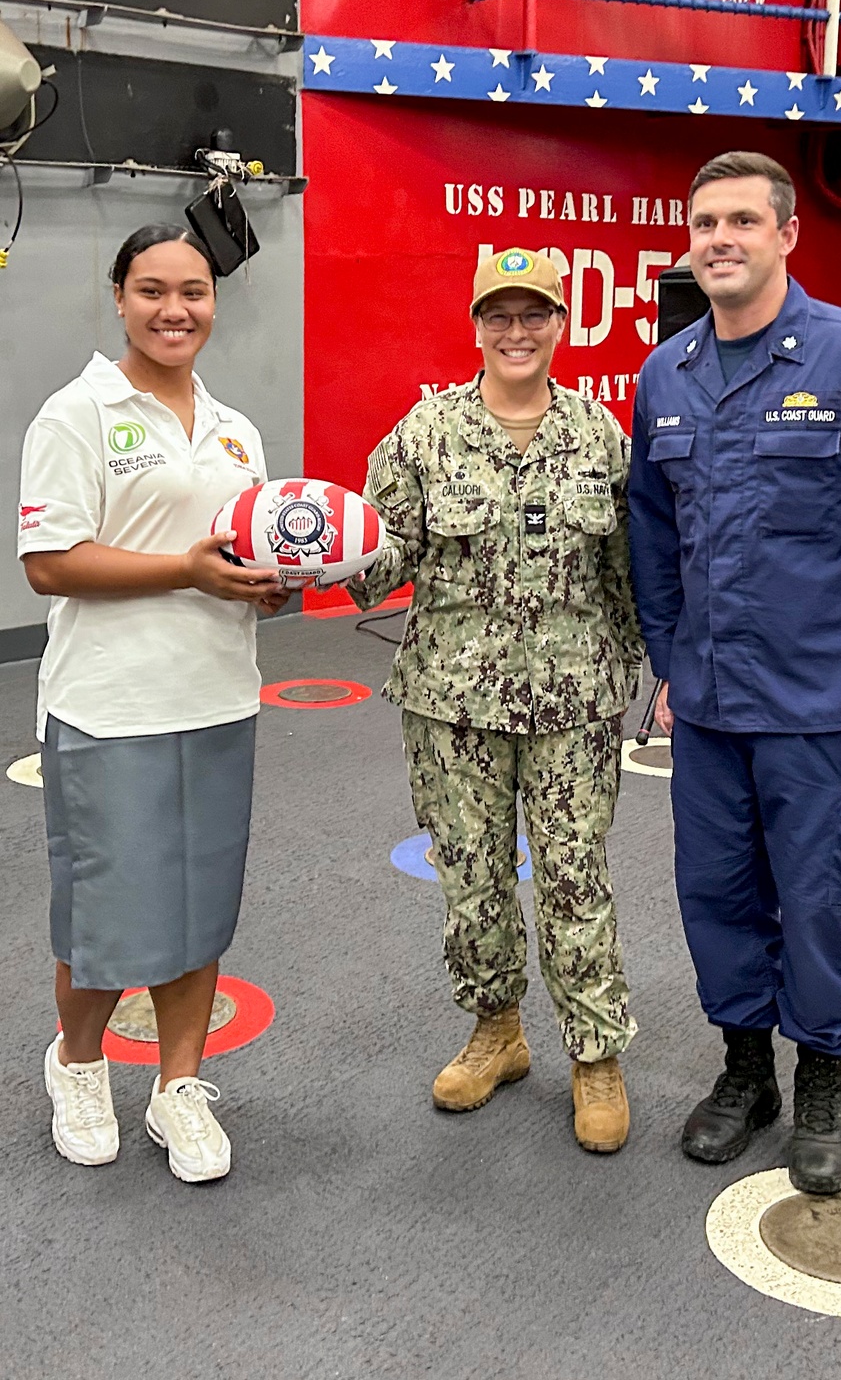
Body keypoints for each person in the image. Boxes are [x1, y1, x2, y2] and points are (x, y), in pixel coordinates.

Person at [629, 152, 841, 1195]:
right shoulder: (667, 375)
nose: (719, 238)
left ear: (787, 234)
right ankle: (747, 1072)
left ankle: (824, 1078)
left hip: (827, 701)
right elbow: (653, 536)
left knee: (817, 898)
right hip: (710, 699)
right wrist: (667, 661)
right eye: (704, 222)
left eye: (742, 219)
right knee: (716, 892)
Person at [346, 248, 643, 1152]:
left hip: (576, 700)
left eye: (535, 314)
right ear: (475, 326)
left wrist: (663, 672)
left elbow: (631, 571)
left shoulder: (600, 437)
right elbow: (380, 557)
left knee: (573, 878)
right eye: (498, 316)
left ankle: (594, 1053)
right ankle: (497, 1032)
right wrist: (318, 548)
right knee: (472, 876)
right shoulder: (424, 433)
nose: (516, 332)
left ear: (562, 324)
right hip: (451, 700)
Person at [19, 224, 288, 1183]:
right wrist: (186, 570)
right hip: (110, 705)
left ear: (215, 301)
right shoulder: (77, 413)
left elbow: (237, 549)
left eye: (195, 291)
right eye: (153, 290)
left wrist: (270, 581)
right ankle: (80, 1064)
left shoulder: (232, 427)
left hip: (217, 696)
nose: (176, 309)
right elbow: (50, 561)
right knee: (107, 912)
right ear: (120, 298)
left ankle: (179, 1085)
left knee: (198, 908)